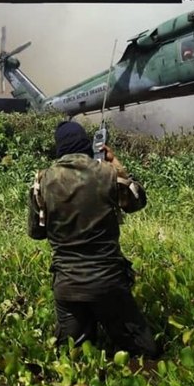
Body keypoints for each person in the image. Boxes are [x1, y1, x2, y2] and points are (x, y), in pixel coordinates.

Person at [28, 121, 159, 358]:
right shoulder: (108, 174)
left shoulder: (42, 182)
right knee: (144, 355)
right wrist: (120, 169)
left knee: (71, 359)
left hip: (67, 287)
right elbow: (137, 202)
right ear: (87, 145)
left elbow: (36, 233)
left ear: (59, 148)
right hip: (109, 282)